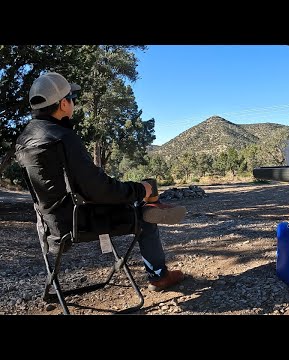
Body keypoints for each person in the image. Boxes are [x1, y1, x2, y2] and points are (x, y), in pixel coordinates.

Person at [15, 72, 186, 292]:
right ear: (64, 103)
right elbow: (99, 190)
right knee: (142, 212)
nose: (74, 104)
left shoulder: (24, 140)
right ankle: (159, 274)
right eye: (73, 99)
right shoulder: (62, 137)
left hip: (48, 222)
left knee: (137, 200)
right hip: (77, 221)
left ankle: (151, 204)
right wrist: (137, 189)